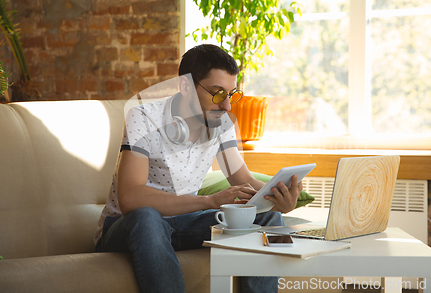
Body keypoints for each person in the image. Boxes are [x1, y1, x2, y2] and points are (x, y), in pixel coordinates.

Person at [94, 44, 302, 293]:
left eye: (231, 94)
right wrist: (209, 201)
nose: (226, 106)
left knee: (269, 219)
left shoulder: (220, 123)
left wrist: (279, 195)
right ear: (185, 86)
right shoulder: (143, 117)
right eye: (217, 94)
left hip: (182, 224)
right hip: (128, 227)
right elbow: (130, 198)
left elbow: (243, 178)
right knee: (148, 216)